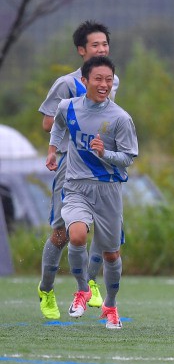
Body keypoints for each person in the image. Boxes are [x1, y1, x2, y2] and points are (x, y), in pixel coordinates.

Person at [45, 56, 137, 330]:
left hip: (108, 190)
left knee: (111, 255)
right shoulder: (67, 106)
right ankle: (83, 291)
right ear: (84, 81)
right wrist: (53, 149)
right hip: (76, 185)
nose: (103, 85)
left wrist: (104, 153)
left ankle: (110, 305)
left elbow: (129, 157)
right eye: (98, 79)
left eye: (108, 80)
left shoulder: (120, 118)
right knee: (76, 234)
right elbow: (59, 124)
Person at [37, 20, 119, 320]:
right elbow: (49, 123)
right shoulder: (66, 84)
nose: (101, 49)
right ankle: (46, 289)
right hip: (70, 167)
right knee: (62, 233)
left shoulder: (112, 80)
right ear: (81, 50)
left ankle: (89, 285)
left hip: (102, 167)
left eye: (104, 44)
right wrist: (77, 115)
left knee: (103, 231)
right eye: (95, 45)